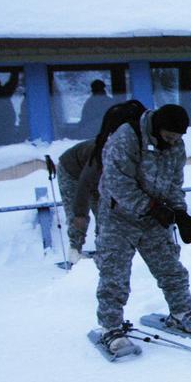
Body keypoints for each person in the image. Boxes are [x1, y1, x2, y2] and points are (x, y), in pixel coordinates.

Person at [93, 104, 191, 354]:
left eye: (178, 138)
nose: (173, 142)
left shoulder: (176, 145)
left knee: (171, 267)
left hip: (154, 216)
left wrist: (180, 214)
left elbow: (174, 183)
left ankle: (180, 312)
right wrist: (152, 207)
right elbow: (116, 182)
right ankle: (110, 327)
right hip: (118, 217)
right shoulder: (126, 137)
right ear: (157, 128)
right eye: (169, 137)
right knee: (114, 274)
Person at [68, 100, 146, 263]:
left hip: (102, 177)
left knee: (103, 210)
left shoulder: (130, 147)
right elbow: (84, 183)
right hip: (73, 170)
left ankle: (103, 247)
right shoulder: (103, 151)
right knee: (78, 213)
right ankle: (75, 250)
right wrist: (80, 213)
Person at [0, 71, 20, 146]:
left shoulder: (5, 92)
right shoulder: (4, 92)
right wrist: (15, 71)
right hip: (6, 123)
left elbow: (13, 83)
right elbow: (13, 82)